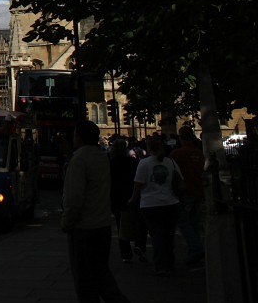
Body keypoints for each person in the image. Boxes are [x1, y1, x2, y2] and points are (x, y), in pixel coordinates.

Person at [61, 120, 131, 303]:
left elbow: (74, 197)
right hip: (103, 225)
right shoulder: (103, 157)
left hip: (83, 227)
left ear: (79, 137)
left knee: (84, 281)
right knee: (100, 273)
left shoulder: (78, 160)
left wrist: (67, 222)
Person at [130, 133, 184, 275]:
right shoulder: (170, 162)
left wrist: (133, 199)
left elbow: (138, 184)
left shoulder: (144, 163)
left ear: (149, 148)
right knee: (168, 236)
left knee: (157, 235)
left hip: (150, 204)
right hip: (171, 203)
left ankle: (160, 265)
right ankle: (169, 263)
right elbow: (179, 180)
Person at [169, 126, 205, 267]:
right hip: (198, 191)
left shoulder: (177, 154)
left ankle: (196, 248)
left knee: (183, 222)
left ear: (181, 137)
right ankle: (194, 251)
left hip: (185, 193)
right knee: (194, 223)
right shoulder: (199, 153)